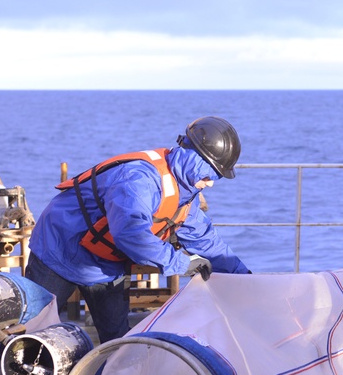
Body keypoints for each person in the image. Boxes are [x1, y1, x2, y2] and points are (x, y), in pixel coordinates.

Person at [26, 116, 250, 343]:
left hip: (105, 265)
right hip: (58, 249)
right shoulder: (139, 179)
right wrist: (182, 263)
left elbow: (207, 240)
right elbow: (130, 233)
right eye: (209, 174)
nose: (210, 183)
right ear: (194, 158)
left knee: (118, 341)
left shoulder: (185, 194)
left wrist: (247, 281)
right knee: (35, 333)